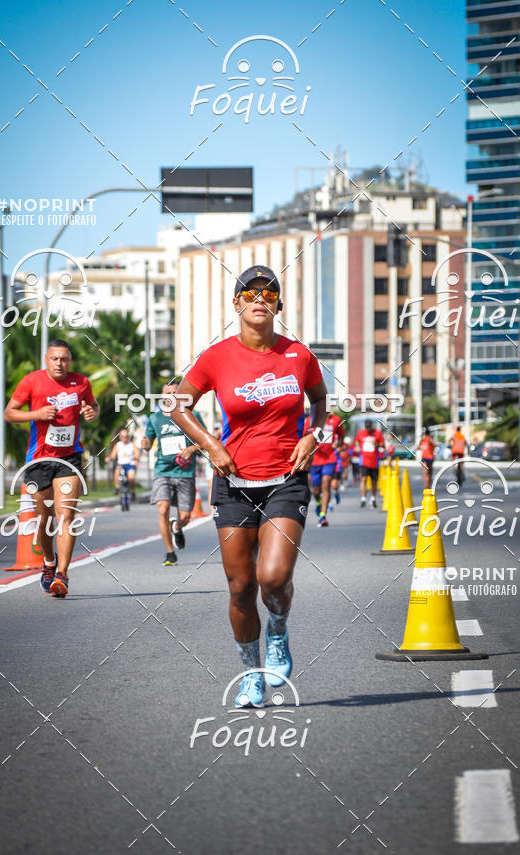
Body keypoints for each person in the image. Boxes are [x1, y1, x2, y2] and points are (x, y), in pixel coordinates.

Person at [168, 264, 328, 708]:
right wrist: (208, 444)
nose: (261, 298)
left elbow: (320, 402)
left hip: (286, 481)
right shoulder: (216, 357)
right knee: (241, 587)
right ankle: (251, 673)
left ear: (278, 304)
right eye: (250, 292)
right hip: (233, 483)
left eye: (270, 293)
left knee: (273, 578)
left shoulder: (299, 355)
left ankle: (278, 630)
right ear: (236, 303)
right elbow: (177, 405)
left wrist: (314, 434)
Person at [4, 338, 99, 598]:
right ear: (47, 359)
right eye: (55, 358)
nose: (60, 363)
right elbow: (9, 413)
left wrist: (91, 412)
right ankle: (49, 561)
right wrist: (36, 415)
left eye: (64, 359)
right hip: (39, 460)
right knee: (44, 520)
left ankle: (62, 575)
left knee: (66, 516)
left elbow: (93, 406)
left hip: (69, 459)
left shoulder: (81, 382)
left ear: (70, 360)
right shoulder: (31, 381)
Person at [141, 381, 206, 566]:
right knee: (163, 508)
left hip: (185, 472)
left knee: (185, 516)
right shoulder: (155, 418)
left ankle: (177, 527)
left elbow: (205, 441)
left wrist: (191, 450)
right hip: (163, 470)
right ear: (162, 396)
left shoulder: (191, 415)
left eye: (175, 392)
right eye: (167, 392)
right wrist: (145, 444)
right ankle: (170, 552)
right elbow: (148, 442)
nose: (171, 395)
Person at [304, 411, 344, 526]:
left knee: (326, 484)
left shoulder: (336, 420)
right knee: (316, 490)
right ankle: (318, 502)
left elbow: (341, 436)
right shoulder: (309, 420)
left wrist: (338, 444)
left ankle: (323, 516)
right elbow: (304, 437)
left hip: (330, 459)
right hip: (315, 460)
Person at [355, 419, 385, 507]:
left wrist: (377, 444)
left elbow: (383, 445)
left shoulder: (377, 433)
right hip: (364, 461)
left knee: (374, 481)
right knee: (363, 479)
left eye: (369, 427)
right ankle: (363, 498)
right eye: (366, 427)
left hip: (374, 461)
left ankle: (373, 497)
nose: (368, 429)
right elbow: (357, 441)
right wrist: (357, 447)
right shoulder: (361, 433)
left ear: (372, 426)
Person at [106, 427, 140, 499]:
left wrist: (136, 459)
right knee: (117, 471)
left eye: (126, 436)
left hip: (130, 464)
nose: (124, 438)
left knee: (131, 477)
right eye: (123, 436)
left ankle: (132, 491)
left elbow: (137, 452)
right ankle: (117, 488)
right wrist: (109, 458)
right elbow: (113, 455)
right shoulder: (118, 445)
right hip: (121, 465)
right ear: (120, 437)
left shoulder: (132, 445)